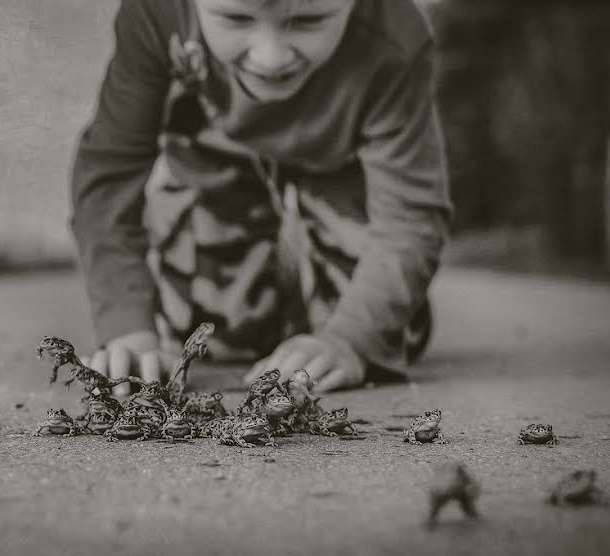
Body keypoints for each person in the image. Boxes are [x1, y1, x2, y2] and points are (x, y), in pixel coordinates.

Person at [69, 0, 451, 395]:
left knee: (386, 332)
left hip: (342, 160)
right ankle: (279, 279)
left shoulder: (397, 39)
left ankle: (317, 285)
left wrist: (351, 339)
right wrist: (128, 327)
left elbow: (410, 214)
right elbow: (109, 177)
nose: (271, 58)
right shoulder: (153, 14)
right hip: (217, 147)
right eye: (236, 18)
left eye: (308, 20)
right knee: (218, 334)